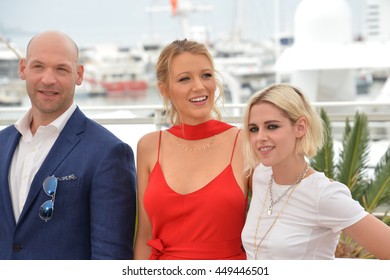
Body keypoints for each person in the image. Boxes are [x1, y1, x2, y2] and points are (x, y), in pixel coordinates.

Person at [0, 30, 137, 259]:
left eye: (61, 69)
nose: (48, 79)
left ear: (79, 74)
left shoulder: (108, 153)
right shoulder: (2, 144)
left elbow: (110, 257)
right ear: (23, 69)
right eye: (38, 66)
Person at [241, 83, 390, 260]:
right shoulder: (260, 177)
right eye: (253, 129)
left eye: (272, 126)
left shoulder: (323, 194)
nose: (260, 138)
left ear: (300, 127)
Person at [134, 39, 248, 260]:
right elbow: (144, 236)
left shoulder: (243, 142)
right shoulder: (148, 147)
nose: (199, 86)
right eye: (185, 79)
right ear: (164, 89)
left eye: (206, 75)